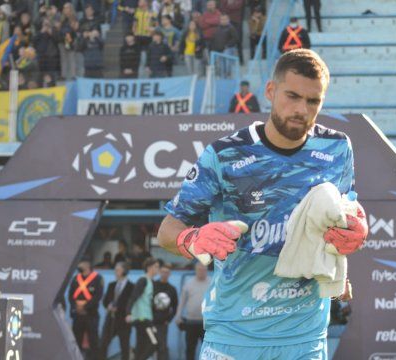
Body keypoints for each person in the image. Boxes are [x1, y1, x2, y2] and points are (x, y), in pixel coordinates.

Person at [157, 49, 368, 359]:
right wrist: (192, 238)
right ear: (270, 91)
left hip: (305, 340)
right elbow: (166, 231)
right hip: (234, 338)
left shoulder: (337, 148)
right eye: (292, 96)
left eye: (313, 101)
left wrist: (356, 232)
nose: (301, 109)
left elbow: (346, 216)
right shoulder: (225, 154)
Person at [68, 257, 104, 360]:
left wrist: (85, 307)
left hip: (91, 315)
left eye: (81, 263)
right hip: (77, 315)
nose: (79, 266)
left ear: (87, 265)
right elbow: (71, 295)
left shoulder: (97, 278)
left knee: (93, 342)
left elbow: (98, 296)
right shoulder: (76, 278)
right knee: (76, 340)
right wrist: (75, 307)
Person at [126, 257, 160, 360]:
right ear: (149, 268)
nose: (158, 269)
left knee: (141, 345)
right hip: (142, 318)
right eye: (156, 267)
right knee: (155, 343)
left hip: (146, 318)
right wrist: (128, 313)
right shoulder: (143, 280)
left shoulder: (150, 281)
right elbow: (133, 296)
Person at [175, 263, 210, 360]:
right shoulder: (189, 283)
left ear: (207, 270)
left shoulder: (212, 283)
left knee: (208, 350)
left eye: (204, 270)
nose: (202, 271)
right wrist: (178, 316)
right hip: (190, 322)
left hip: (206, 323)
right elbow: (182, 302)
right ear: (195, 270)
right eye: (199, 269)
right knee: (190, 348)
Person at [101, 262, 134, 360]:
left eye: (117, 270)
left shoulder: (131, 286)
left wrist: (119, 308)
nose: (115, 272)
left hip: (123, 320)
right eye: (115, 270)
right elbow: (105, 300)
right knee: (103, 344)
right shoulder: (111, 285)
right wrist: (109, 306)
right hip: (110, 319)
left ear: (124, 271)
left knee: (124, 346)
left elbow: (131, 303)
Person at [153, 262, 178, 360]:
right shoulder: (153, 285)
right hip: (150, 321)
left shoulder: (172, 289)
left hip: (163, 323)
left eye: (167, 272)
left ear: (170, 274)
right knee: (148, 346)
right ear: (159, 272)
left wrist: (169, 320)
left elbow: (175, 307)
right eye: (163, 272)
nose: (164, 274)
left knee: (162, 347)